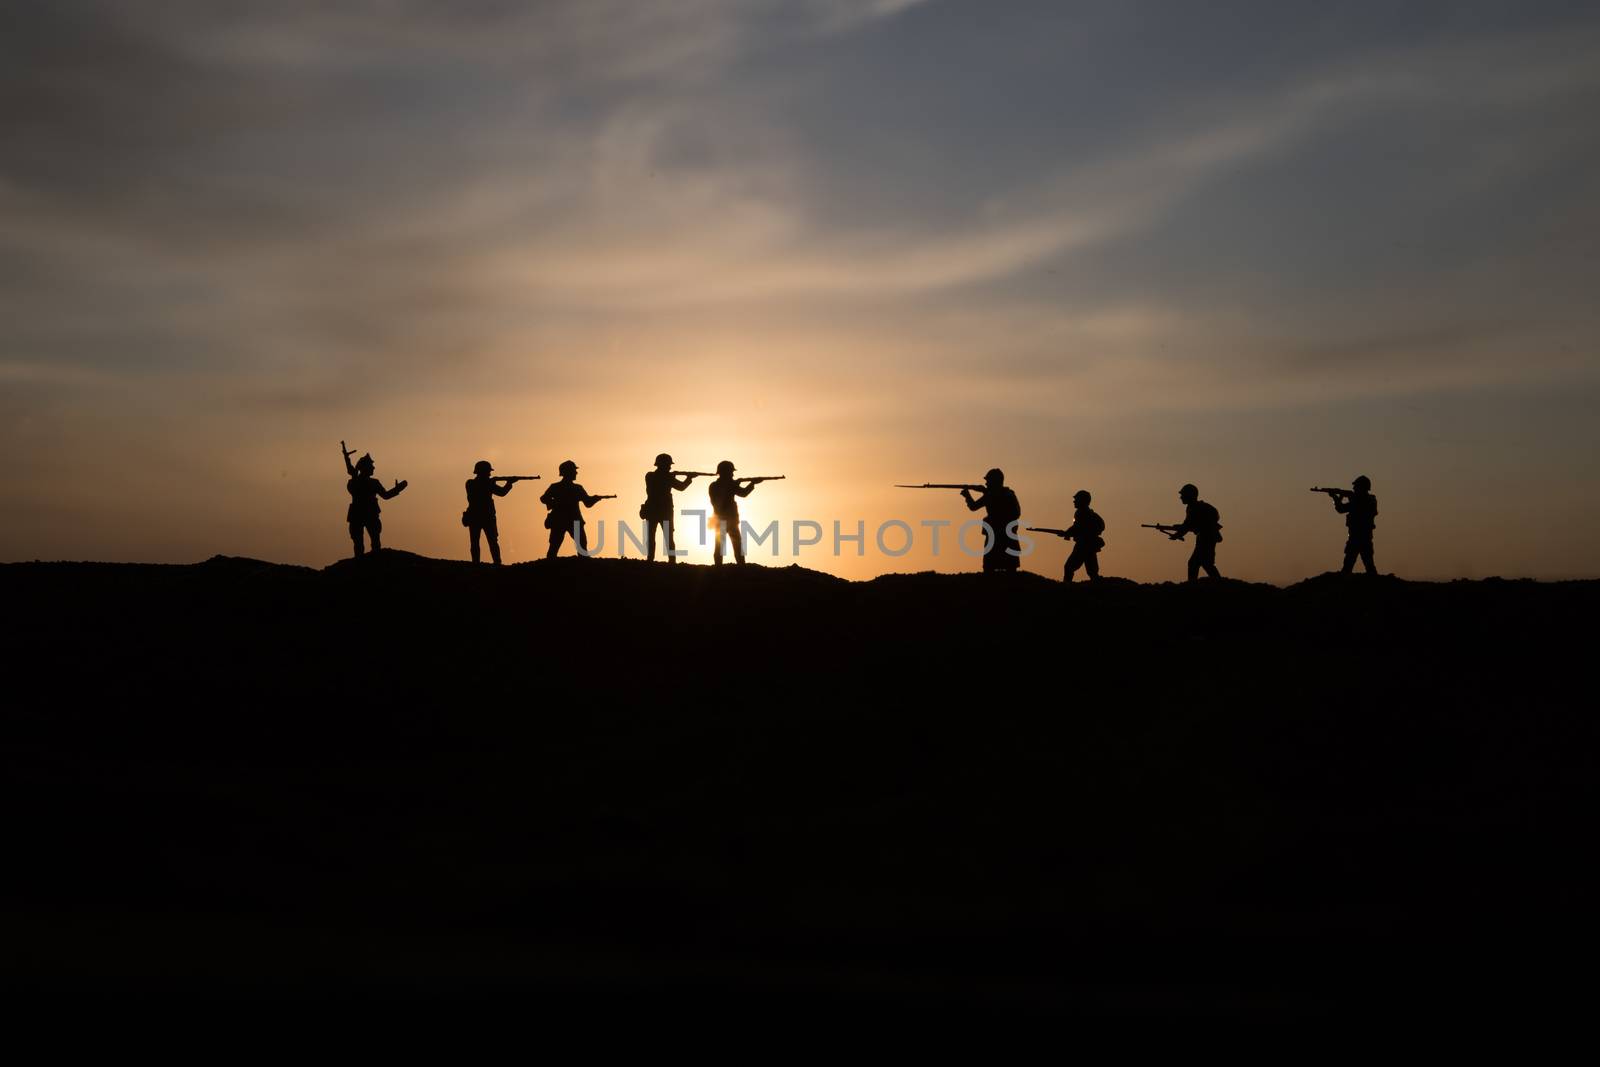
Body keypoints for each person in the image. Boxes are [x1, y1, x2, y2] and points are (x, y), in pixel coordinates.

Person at [343, 449, 407, 558]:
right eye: (370, 466)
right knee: (359, 544)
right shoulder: (358, 482)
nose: (373, 468)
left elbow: (385, 496)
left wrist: (397, 489)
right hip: (361, 514)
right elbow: (385, 496)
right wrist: (347, 459)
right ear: (365, 468)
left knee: (374, 542)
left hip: (367, 514)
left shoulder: (368, 482)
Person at [961, 468, 1022, 573]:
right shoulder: (1009, 494)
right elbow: (1017, 513)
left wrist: (967, 496)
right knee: (1009, 568)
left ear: (994, 481)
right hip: (1008, 536)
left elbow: (973, 507)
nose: (986, 483)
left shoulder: (991, 495)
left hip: (995, 536)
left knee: (990, 568)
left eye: (988, 481)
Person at [642, 453, 699, 563]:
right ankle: (671, 562)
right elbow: (681, 487)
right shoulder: (665, 477)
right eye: (668, 465)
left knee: (651, 537)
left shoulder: (650, 476)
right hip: (664, 511)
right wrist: (689, 478)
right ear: (663, 465)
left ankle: (650, 560)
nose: (670, 467)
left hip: (653, 510)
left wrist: (673, 476)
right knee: (668, 538)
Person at [540, 460, 604, 559]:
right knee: (557, 547)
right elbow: (588, 503)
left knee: (560, 547)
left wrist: (596, 499)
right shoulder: (576, 488)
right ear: (568, 472)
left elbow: (543, 498)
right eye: (574, 470)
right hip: (568, 520)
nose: (576, 473)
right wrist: (594, 499)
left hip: (562, 520)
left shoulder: (557, 487)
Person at [1165, 483, 1222, 581]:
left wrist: (1178, 534)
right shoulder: (1192, 507)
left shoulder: (1194, 508)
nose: (1181, 497)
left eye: (1183, 495)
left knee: (1195, 563)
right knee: (1205, 563)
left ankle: (1193, 586)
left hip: (1206, 538)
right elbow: (1188, 524)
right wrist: (1179, 530)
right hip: (1205, 537)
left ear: (1189, 495)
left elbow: (1187, 526)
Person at [464, 460, 517, 565]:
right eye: (488, 471)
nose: (489, 473)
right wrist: (509, 483)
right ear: (483, 472)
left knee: (480, 542)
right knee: (490, 542)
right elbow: (502, 493)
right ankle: (495, 563)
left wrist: (498, 483)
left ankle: (479, 563)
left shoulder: (473, 483)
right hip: (485, 517)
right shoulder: (473, 483)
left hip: (477, 516)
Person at [708, 460, 757, 565]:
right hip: (727, 520)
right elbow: (743, 493)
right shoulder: (723, 485)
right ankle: (738, 568)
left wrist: (750, 483)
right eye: (731, 472)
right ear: (725, 472)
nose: (732, 474)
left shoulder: (715, 485)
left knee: (727, 546)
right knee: (732, 546)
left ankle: (722, 568)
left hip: (723, 520)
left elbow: (741, 493)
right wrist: (751, 484)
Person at [1057, 489, 1106, 583]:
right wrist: (1067, 533)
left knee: (1069, 567)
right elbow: (1078, 528)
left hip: (1083, 545)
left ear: (1082, 500)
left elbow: (1077, 527)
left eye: (1076, 499)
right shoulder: (1087, 513)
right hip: (1089, 545)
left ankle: (1066, 587)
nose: (1074, 501)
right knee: (1092, 571)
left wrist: (1066, 533)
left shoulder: (1081, 513)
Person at [1333, 475, 1378, 575]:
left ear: (1362, 487)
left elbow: (1349, 507)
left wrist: (1341, 498)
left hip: (1362, 537)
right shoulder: (1358, 500)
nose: (1354, 489)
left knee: (1369, 566)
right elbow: (1341, 509)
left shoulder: (1369, 500)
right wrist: (1337, 498)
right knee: (1348, 566)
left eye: (1356, 487)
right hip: (1356, 537)